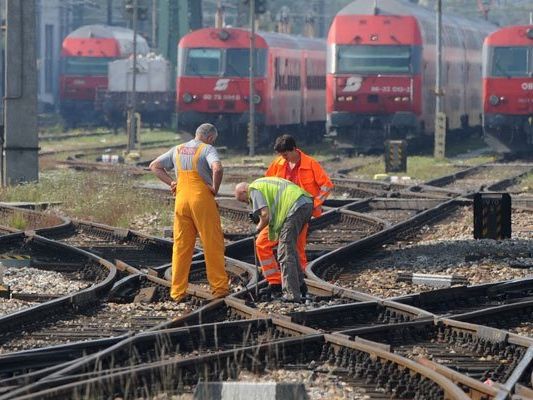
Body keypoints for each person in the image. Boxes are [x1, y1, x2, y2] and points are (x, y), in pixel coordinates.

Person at [149, 123, 229, 301]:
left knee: (181, 246)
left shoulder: (177, 149)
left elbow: (154, 166)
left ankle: (177, 292)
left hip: (181, 200)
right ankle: (219, 288)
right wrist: (215, 188)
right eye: (213, 140)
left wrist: (171, 182)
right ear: (209, 138)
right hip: (201, 200)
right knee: (212, 244)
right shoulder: (207, 149)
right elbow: (218, 168)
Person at [257, 134, 333, 295]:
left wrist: (314, 204)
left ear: (293, 150)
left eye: (285, 154)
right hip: (279, 213)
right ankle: (275, 281)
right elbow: (267, 183)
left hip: (299, 214)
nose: (283, 158)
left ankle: (302, 284)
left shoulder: (310, 164)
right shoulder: (278, 163)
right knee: (262, 243)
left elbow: (326, 186)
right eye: (281, 155)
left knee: (297, 250)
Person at [235, 177, 313, 303]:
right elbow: (272, 212)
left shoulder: (253, 189)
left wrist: (257, 228)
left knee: (284, 253)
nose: (248, 203)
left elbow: (265, 215)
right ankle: (300, 287)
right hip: (305, 203)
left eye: (245, 200)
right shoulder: (262, 184)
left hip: (294, 207)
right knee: (290, 250)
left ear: (244, 191)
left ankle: (291, 295)